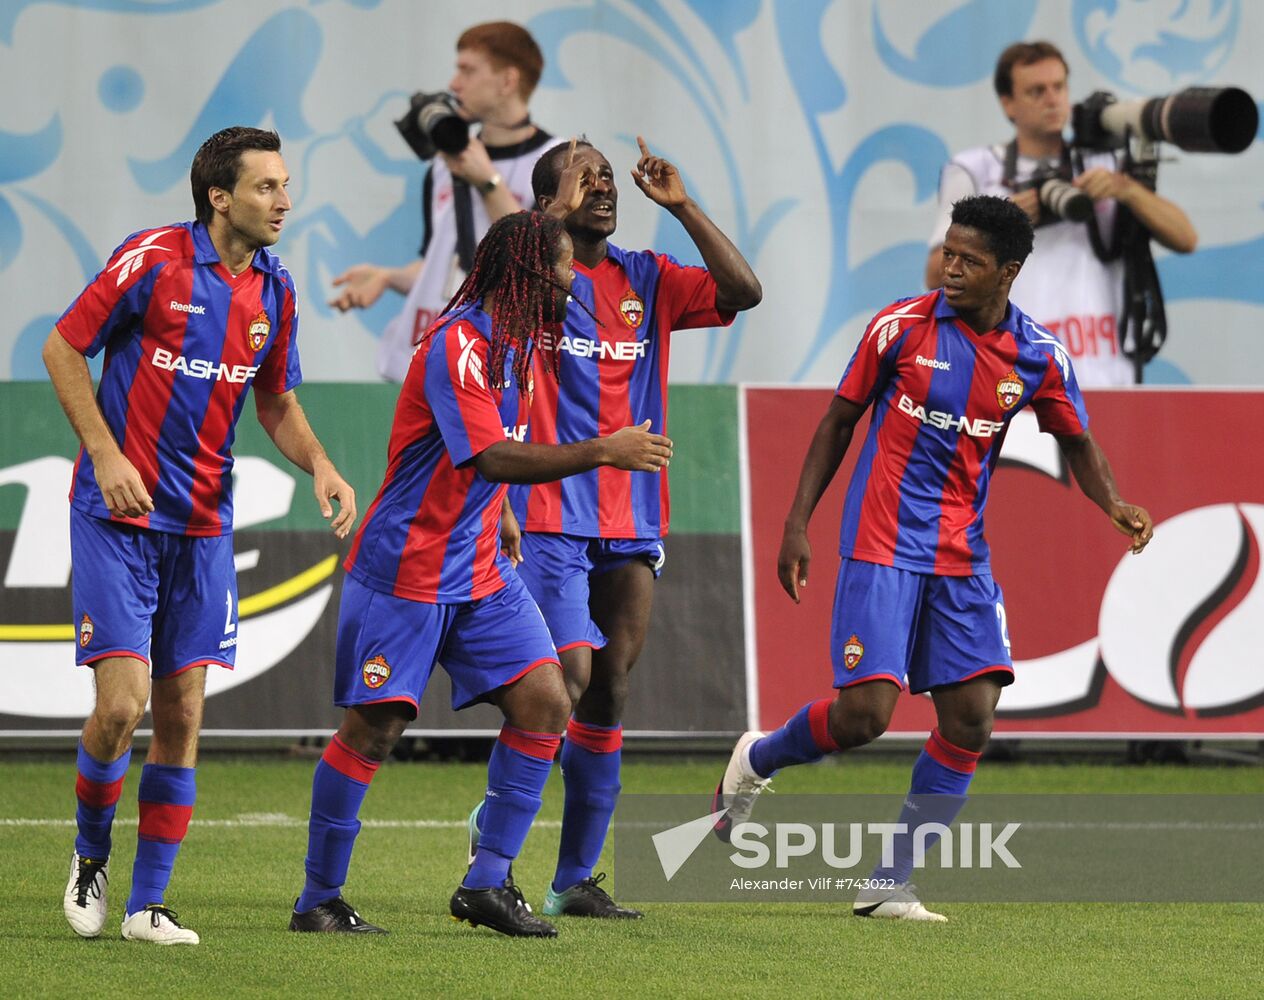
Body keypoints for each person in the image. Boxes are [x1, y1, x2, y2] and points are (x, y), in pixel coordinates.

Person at [715, 195, 1153, 921]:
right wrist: (797, 522)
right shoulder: (900, 327)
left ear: (1007, 272)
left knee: (973, 717)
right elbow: (838, 422)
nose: (949, 267)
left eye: (968, 260)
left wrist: (1112, 502)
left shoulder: (1039, 356)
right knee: (865, 718)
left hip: (961, 553)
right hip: (881, 540)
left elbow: (1076, 439)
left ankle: (889, 883)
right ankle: (758, 759)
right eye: (948, 252)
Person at [288, 208, 674, 939]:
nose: (572, 279)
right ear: (527, 272)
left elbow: (484, 453)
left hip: (479, 569)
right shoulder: (457, 344)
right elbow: (488, 454)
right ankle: (318, 899)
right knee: (375, 729)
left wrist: (498, 513)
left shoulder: (518, 346)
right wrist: (601, 449)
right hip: (407, 568)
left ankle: (487, 883)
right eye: (561, 267)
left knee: (547, 700)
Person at [47, 127, 357, 945]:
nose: (285, 202)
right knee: (121, 708)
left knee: (182, 714)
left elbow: (277, 403)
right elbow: (64, 346)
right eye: (267, 188)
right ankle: (89, 857)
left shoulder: (276, 293)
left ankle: (149, 904)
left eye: (286, 186)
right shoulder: (152, 260)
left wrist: (319, 464)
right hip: (117, 519)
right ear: (220, 196)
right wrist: (106, 453)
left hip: (204, 530)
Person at [464, 136, 762, 920]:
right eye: (582, 175)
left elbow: (745, 291)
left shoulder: (647, 277)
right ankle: (490, 842)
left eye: (607, 176)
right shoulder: (535, 279)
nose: (602, 184)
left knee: (612, 690)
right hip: (551, 512)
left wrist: (683, 205)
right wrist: (550, 221)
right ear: (549, 196)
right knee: (569, 681)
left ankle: (573, 880)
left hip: (631, 515)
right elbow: (488, 304)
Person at [925, 40, 1197, 386]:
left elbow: (1186, 238)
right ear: (1008, 104)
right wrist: (1001, 227)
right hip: (1012, 374)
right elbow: (936, 273)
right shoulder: (974, 169)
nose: (1052, 99)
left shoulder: (1107, 165)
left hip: (1106, 372)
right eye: (1036, 91)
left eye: (1058, 87)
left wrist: (1127, 189)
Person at [329, 21, 561, 382]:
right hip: (435, 357)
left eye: (467, 70)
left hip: (504, 361)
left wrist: (488, 183)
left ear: (507, 81)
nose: (454, 84)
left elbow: (543, 266)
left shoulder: (554, 162)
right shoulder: (442, 166)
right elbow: (447, 268)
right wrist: (389, 277)